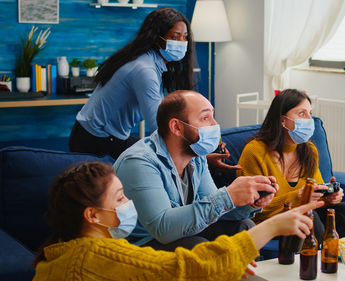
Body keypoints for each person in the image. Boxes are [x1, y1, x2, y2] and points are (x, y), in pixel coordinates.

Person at [32, 161, 324, 281]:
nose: (128, 203)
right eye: (120, 198)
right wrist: (271, 226)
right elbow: (184, 268)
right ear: (92, 215)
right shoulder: (92, 257)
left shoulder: (59, 251)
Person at [68, 7, 236, 172]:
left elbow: (167, 116)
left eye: (185, 37)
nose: (181, 43)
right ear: (157, 37)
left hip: (102, 135)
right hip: (95, 140)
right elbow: (159, 127)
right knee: (159, 162)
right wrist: (198, 155)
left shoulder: (150, 62)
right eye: (175, 37)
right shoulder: (145, 70)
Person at [114, 90, 278, 251]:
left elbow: (213, 212)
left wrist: (249, 202)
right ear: (176, 127)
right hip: (140, 244)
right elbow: (163, 229)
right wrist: (229, 195)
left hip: (179, 232)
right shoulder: (139, 162)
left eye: (213, 116)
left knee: (244, 228)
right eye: (205, 118)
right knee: (197, 247)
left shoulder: (196, 155)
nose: (215, 125)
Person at [237, 89, 345, 240]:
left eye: (310, 113)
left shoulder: (309, 150)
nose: (309, 120)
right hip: (268, 221)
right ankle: (322, 261)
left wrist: (329, 197)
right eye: (302, 114)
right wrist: (297, 197)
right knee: (308, 216)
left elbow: (315, 196)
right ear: (282, 120)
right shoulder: (255, 151)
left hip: (302, 214)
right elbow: (253, 209)